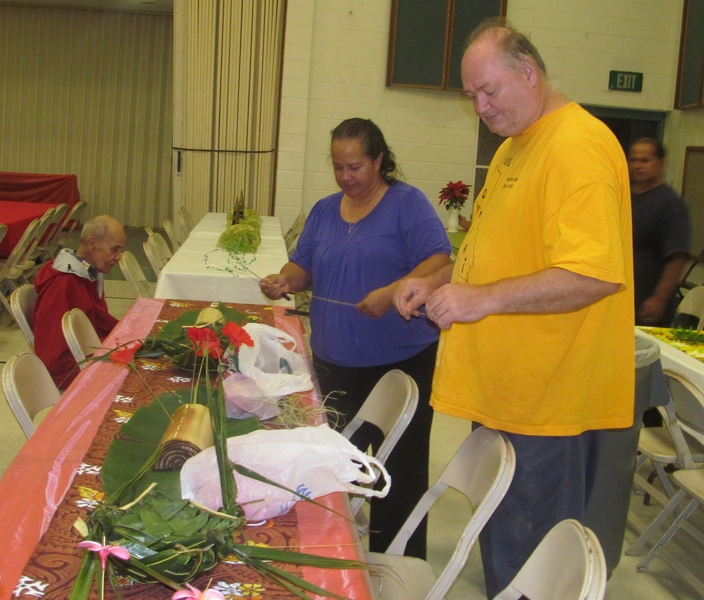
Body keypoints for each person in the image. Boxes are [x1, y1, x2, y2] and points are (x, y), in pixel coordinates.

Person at [394, 20, 634, 598]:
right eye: (471, 96)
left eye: (489, 91)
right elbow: (493, 253)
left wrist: (481, 299)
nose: (480, 107)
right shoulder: (511, 148)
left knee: (529, 565)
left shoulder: (577, 145)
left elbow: (594, 273)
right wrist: (438, 280)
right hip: (506, 393)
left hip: (547, 402)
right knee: (503, 550)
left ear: (528, 71)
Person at [261, 117, 451, 558]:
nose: (346, 177)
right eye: (338, 167)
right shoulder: (325, 210)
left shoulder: (408, 205)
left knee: (395, 471)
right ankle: (335, 557)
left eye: (355, 167)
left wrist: (391, 292)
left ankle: (395, 565)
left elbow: (439, 261)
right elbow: (303, 265)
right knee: (333, 464)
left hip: (399, 364)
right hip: (334, 363)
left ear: (379, 160)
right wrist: (284, 280)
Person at [33, 214, 126, 389]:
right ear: (92, 243)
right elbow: (53, 355)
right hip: (70, 371)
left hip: (90, 350)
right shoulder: (62, 286)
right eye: (114, 249)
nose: (118, 257)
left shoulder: (88, 273)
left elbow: (98, 323)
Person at [629, 137, 690, 326]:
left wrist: (659, 299)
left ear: (660, 164)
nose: (638, 166)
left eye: (645, 160)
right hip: (623, 299)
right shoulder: (626, 196)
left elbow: (676, 257)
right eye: (634, 160)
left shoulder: (670, 204)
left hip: (648, 304)